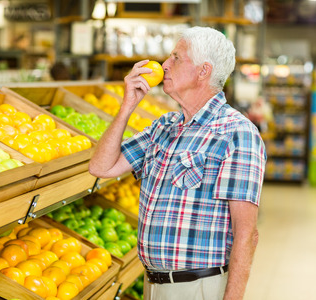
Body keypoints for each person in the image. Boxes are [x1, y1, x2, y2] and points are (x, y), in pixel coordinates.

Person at [89, 26, 266, 300]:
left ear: (203, 71)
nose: (164, 65)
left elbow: (246, 234)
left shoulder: (236, 133)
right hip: (153, 285)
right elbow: (101, 167)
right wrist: (127, 106)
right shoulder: (163, 127)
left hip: (198, 288)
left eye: (176, 58)